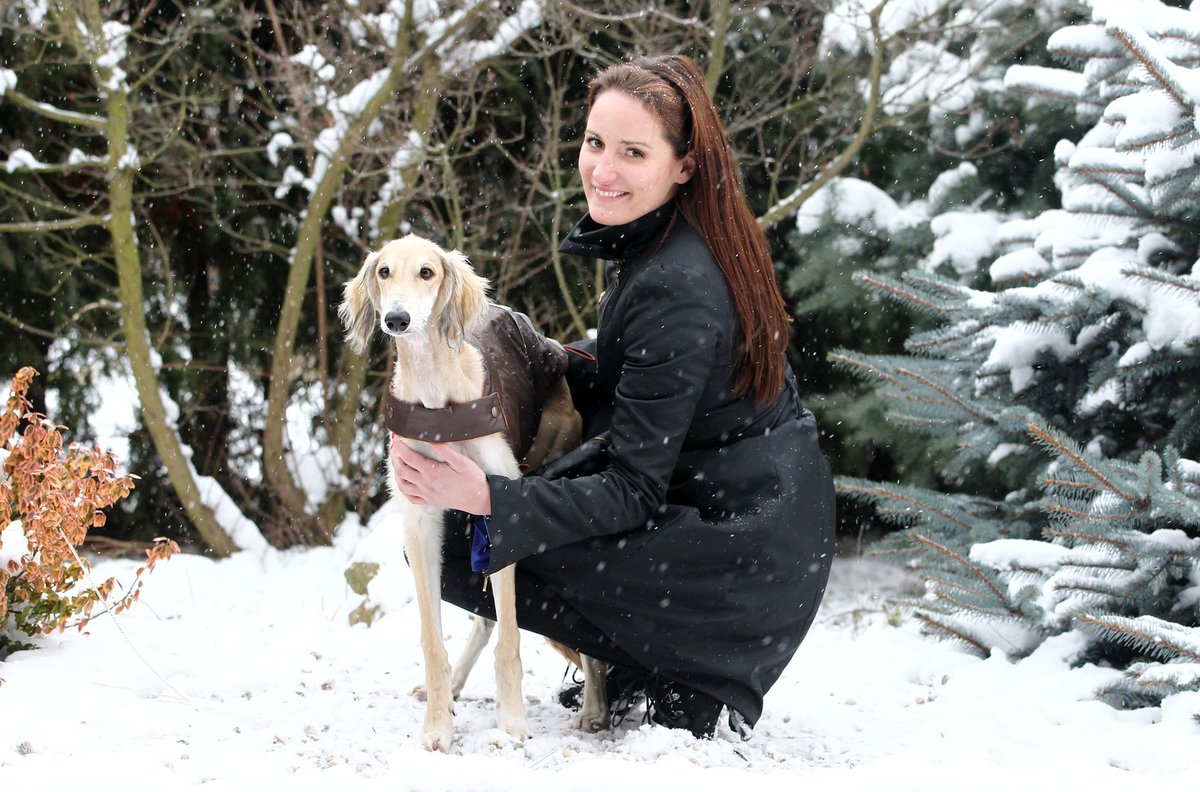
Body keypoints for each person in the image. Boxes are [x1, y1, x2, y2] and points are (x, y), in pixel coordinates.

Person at [391, 54, 835, 738]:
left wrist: (490, 498)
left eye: (633, 151)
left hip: (738, 563)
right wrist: (544, 356)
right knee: (484, 530)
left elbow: (632, 488)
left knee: (457, 540)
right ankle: (642, 656)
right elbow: (650, 384)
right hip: (749, 523)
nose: (603, 169)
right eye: (595, 143)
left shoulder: (676, 286)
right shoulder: (669, 242)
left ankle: (677, 673)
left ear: (683, 164)